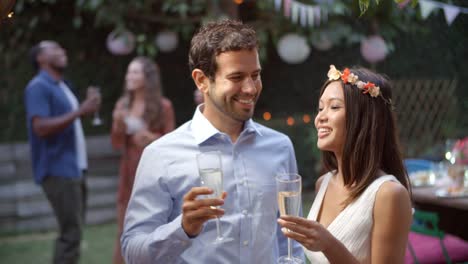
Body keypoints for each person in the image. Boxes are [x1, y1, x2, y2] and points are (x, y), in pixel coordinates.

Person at [121, 19, 304, 263]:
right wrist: (183, 228)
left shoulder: (280, 147)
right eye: (237, 77)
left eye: (255, 75)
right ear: (201, 80)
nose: (250, 88)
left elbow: (290, 238)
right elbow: (133, 251)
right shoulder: (162, 154)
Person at [277, 65, 413, 263]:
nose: (319, 118)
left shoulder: (389, 194)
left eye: (334, 107)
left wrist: (329, 245)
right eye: (320, 107)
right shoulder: (323, 183)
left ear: (364, 118)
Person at [24, 40, 101, 264]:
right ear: (41, 58)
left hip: (75, 167)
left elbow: (68, 121)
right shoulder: (38, 86)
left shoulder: (62, 85)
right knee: (70, 234)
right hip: (57, 169)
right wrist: (80, 111)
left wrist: (83, 111)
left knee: (74, 232)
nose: (63, 51)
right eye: (55, 49)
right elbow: (40, 127)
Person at [111, 56, 176, 264]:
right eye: (129, 72)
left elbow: (173, 143)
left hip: (154, 174)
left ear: (147, 78)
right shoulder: (123, 105)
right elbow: (116, 143)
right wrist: (118, 125)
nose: (129, 76)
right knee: (124, 230)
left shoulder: (164, 106)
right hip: (129, 173)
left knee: (156, 229)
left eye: (135, 72)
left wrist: (150, 138)